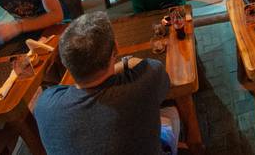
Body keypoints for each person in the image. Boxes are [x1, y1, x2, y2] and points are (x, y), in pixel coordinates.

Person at [34, 12, 180, 155]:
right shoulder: (146, 80)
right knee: (171, 112)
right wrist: (125, 62)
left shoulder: (43, 105)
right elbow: (160, 77)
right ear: (116, 48)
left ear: (66, 63)